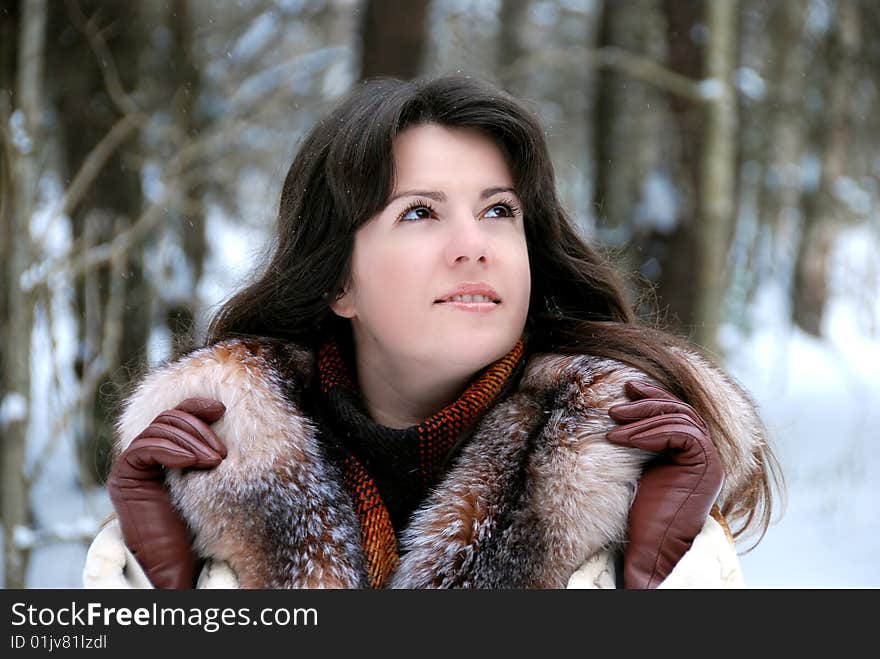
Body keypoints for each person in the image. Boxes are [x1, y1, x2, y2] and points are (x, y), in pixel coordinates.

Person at [83, 74, 781, 590]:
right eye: (420, 212)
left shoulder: (625, 473)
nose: (474, 244)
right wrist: (158, 585)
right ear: (339, 282)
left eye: (499, 210)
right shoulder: (220, 472)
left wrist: (661, 574)